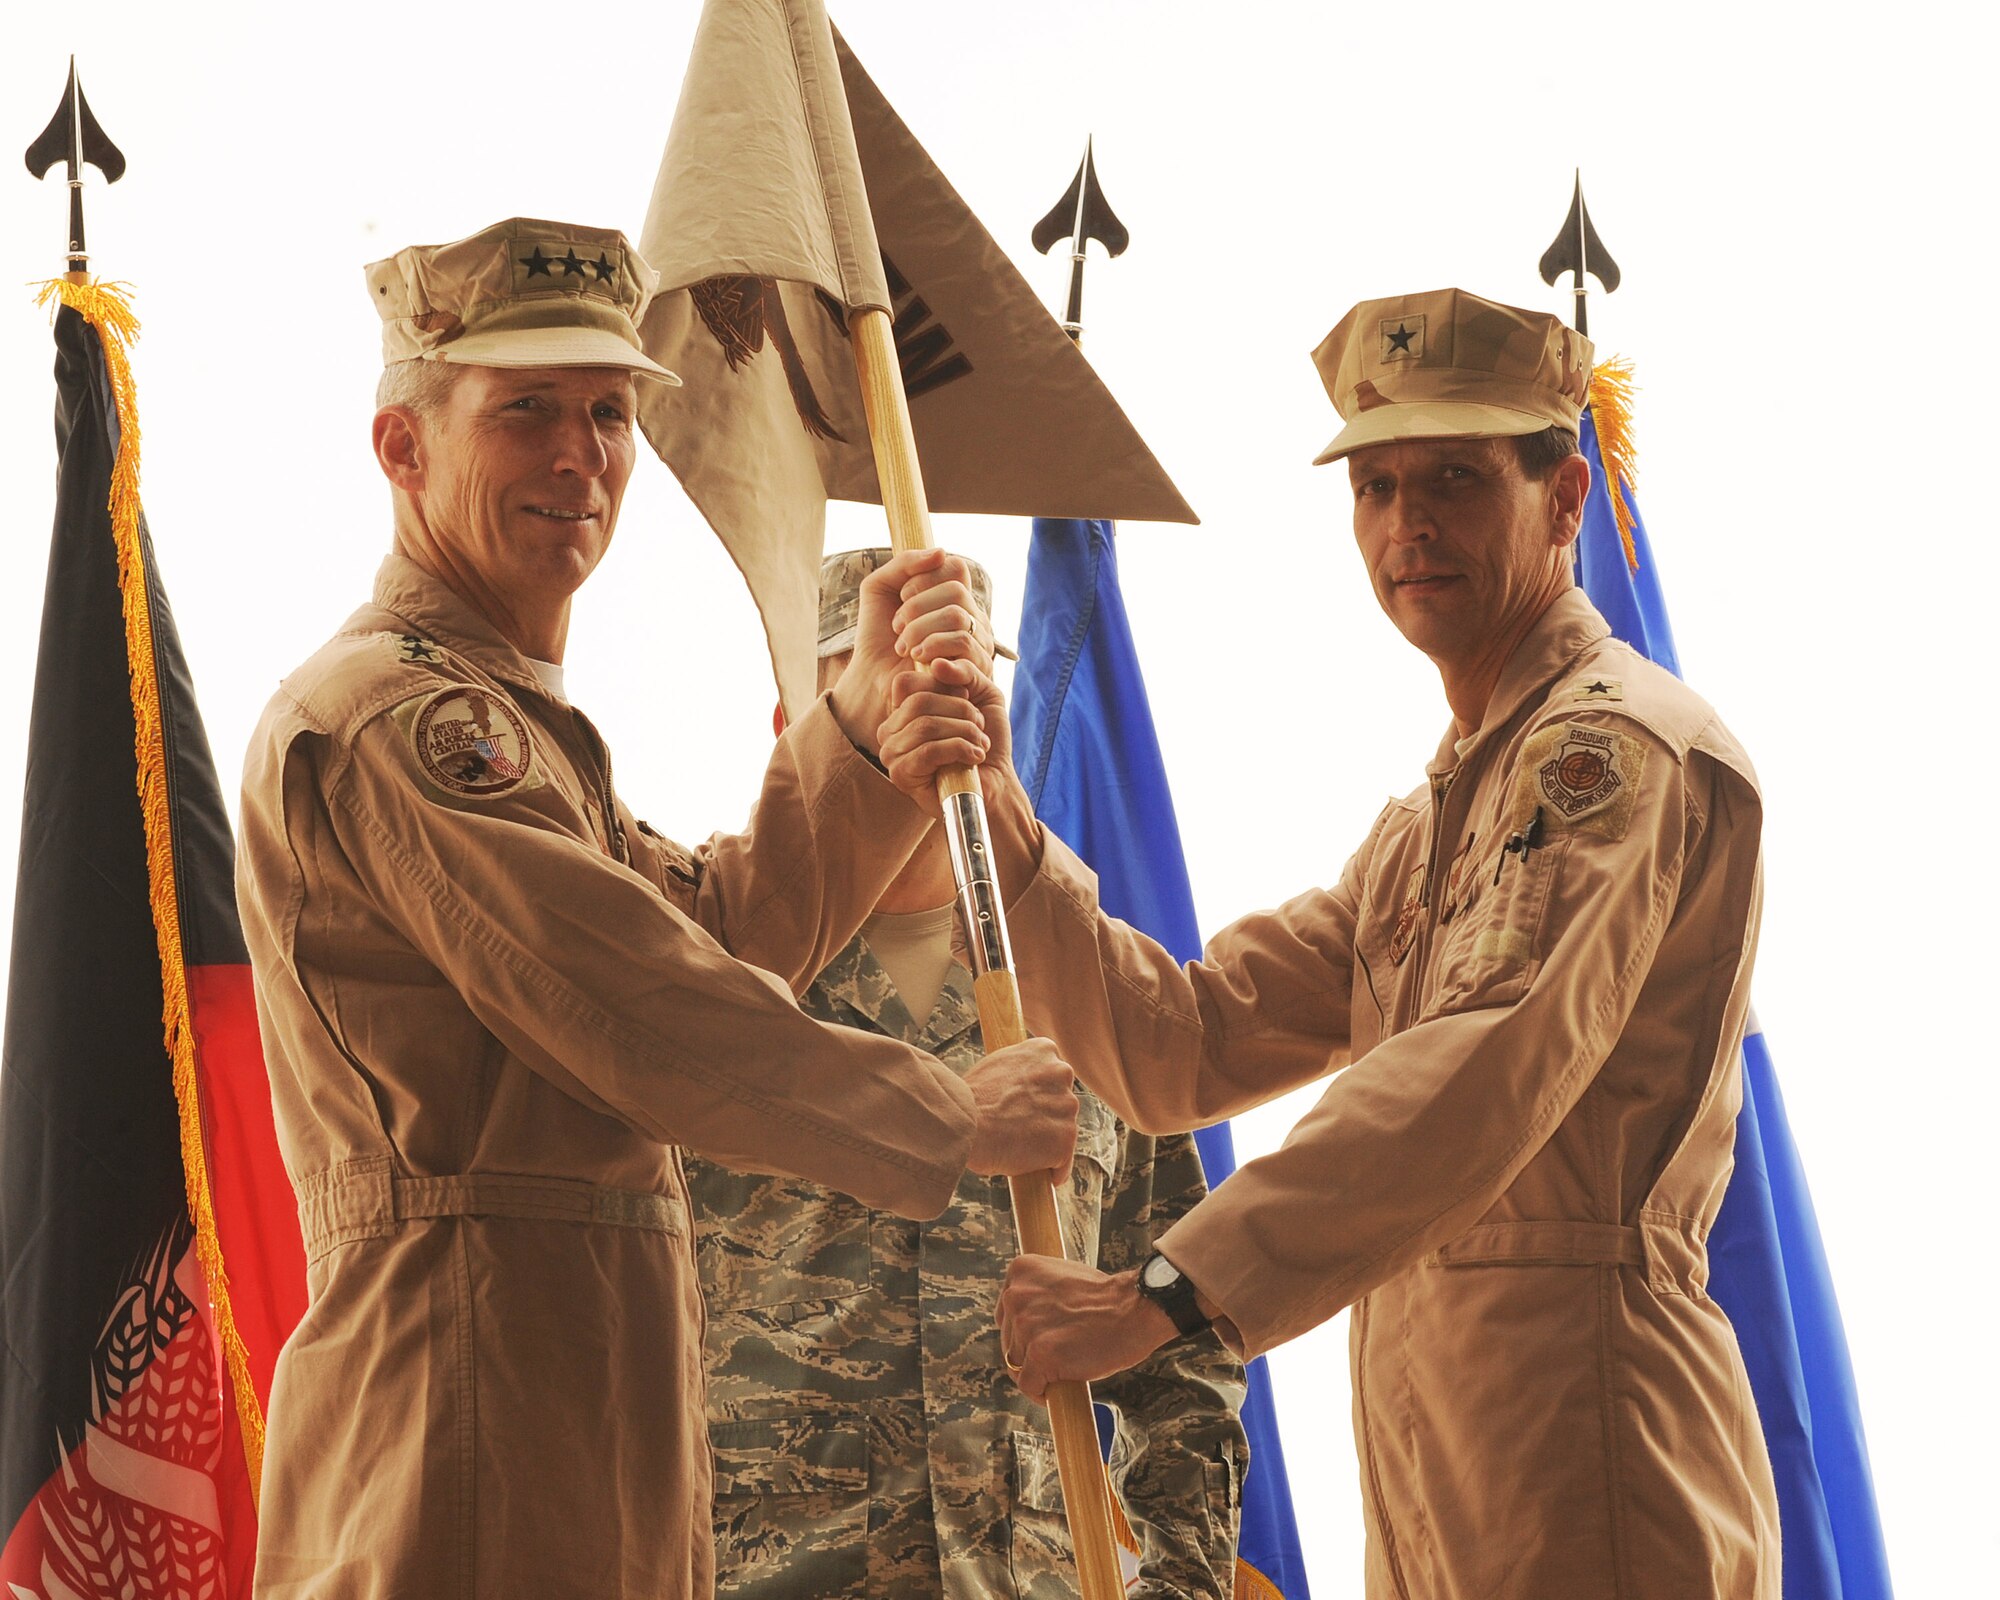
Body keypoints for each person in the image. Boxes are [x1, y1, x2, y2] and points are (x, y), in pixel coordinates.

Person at [234, 217, 1079, 1600]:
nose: (582, 455)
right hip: (462, 1420)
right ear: (402, 447)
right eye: (526, 410)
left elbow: (712, 935)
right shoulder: (403, 718)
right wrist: (946, 1112)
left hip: (572, 1419)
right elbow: (640, 1007)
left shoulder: (515, 726)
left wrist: (861, 738)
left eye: (611, 413)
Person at [985, 288, 1782, 1598]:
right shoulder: (1428, 825)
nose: (1405, 524)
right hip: (1433, 1471)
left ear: (1564, 499)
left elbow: (1476, 1066)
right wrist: (1005, 833)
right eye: (1374, 485)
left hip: (1593, 1456)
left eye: (1454, 479)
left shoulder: (1607, 752)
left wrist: (1164, 1296)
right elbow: (1185, 1043)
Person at [685, 550, 1246, 1600]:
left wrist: (1180, 1586)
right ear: (794, 725)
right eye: (877, 685)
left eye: (951, 684)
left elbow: (1183, 1352)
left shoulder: (1086, 992)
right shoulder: (707, 967)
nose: (922, 715)